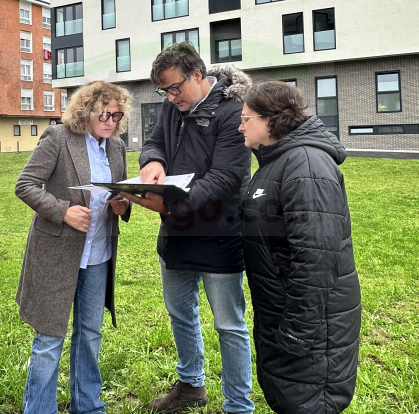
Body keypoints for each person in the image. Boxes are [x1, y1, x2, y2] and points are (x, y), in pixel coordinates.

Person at [120, 42, 254, 414]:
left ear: (198, 74)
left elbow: (227, 178)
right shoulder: (171, 106)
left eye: (175, 87)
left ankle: (239, 406)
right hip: (176, 234)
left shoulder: (233, 111)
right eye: (163, 91)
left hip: (220, 234)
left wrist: (169, 203)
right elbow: (154, 141)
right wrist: (151, 163)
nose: (170, 96)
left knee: (229, 325)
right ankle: (192, 385)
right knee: (181, 314)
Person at [238, 81, 361, 414]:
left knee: (309, 402)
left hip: (311, 329)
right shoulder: (275, 163)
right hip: (283, 316)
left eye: (246, 118)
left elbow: (316, 258)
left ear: (270, 120)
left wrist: (297, 334)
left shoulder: (306, 166)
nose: (240, 125)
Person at [15, 80, 132, 414]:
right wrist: (62, 210)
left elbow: (119, 194)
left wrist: (124, 206)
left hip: (98, 256)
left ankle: (88, 406)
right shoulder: (59, 138)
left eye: (117, 115)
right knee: (50, 339)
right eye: (104, 113)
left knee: (90, 334)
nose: (111, 121)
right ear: (86, 110)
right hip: (57, 255)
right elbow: (24, 185)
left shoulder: (117, 148)